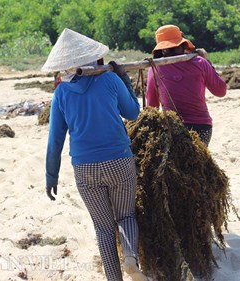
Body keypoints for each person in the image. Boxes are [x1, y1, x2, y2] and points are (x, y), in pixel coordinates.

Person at [42, 28, 148, 281]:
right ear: (95, 59)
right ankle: (131, 258)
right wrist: (123, 79)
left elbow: (55, 140)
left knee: (103, 227)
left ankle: (114, 279)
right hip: (119, 161)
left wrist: (51, 176)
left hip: (85, 169)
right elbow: (133, 113)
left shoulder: (62, 92)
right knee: (126, 216)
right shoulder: (110, 80)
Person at [146, 24, 227, 146]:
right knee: (198, 163)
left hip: (172, 128)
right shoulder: (200, 63)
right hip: (202, 128)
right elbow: (221, 91)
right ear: (183, 44)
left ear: (162, 49)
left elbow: (152, 107)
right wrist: (208, 62)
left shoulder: (154, 69)